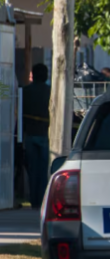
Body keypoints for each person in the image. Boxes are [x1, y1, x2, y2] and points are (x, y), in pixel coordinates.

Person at [22, 63, 51, 209]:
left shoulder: (25, 91)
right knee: (43, 170)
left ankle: (34, 200)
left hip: (29, 134)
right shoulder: (50, 91)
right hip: (45, 134)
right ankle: (43, 199)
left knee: (32, 170)